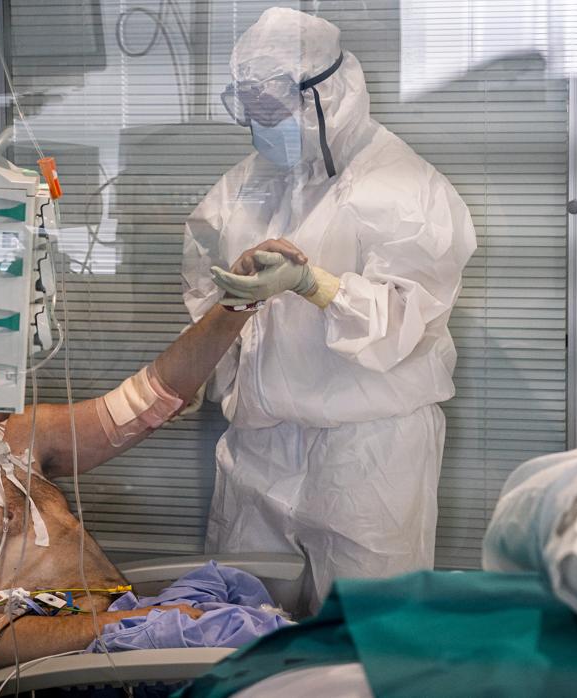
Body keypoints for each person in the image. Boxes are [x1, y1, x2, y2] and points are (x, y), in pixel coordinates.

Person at [182, 7, 477, 608]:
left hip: (367, 453)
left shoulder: (407, 188)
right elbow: (202, 290)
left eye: (276, 111)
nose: (267, 128)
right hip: (259, 448)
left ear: (331, 93)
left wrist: (313, 284)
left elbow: (403, 325)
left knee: (363, 637)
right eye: (255, 114)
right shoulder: (242, 187)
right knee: (242, 627)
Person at [0, 278, 294, 676]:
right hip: (78, 670)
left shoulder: (11, 432)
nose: (12, 377)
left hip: (126, 631)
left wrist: (237, 303)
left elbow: (151, 398)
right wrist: (133, 624)